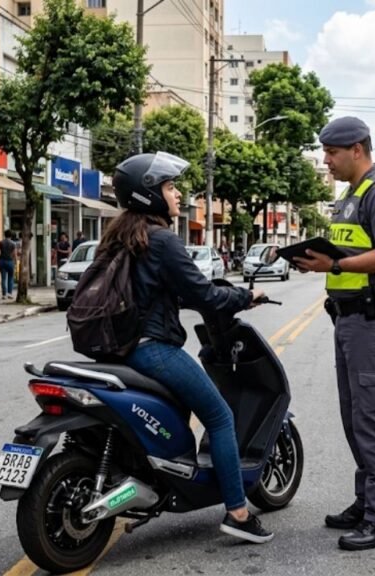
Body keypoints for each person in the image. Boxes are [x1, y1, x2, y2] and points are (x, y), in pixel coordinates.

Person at [108, 151, 273, 544]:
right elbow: (202, 295)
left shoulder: (119, 237)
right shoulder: (162, 239)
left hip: (118, 348)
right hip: (153, 350)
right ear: (149, 195)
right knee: (220, 417)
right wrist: (245, 298)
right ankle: (236, 511)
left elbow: (163, 292)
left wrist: (220, 293)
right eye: (169, 186)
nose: (178, 193)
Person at [292, 117, 375, 552]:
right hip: (349, 321)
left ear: (357, 149)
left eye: (332, 152)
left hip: (373, 323)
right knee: (355, 418)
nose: (326, 161)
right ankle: (366, 503)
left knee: (373, 420)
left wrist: (335, 265)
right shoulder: (351, 197)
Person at [0, 230, 19, 300]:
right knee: (10, 278)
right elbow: (15, 254)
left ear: (4, 235)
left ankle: (4, 294)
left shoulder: (0, 243)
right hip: (10, 261)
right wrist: (15, 262)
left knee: (3, 278)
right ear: (11, 235)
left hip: (2, 261)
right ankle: (10, 293)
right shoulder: (13, 243)